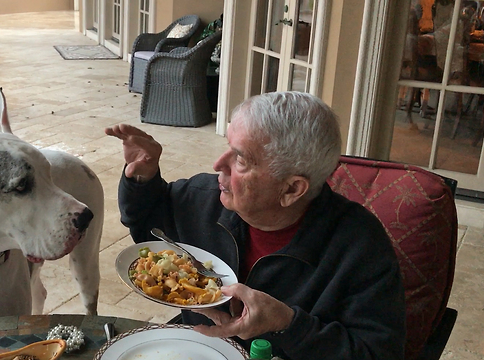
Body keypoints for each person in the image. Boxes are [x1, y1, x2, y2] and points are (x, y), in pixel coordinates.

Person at [104, 92, 406, 360]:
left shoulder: (361, 246)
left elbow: (377, 351)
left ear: (291, 190)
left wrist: (287, 324)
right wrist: (141, 179)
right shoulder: (203, 197)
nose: (217, 164)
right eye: (228, 146)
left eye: (241, 159)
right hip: (194, 347)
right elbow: (149, 234)